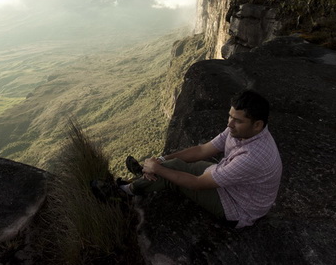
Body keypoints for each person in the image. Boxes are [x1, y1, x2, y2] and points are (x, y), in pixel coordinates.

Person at [120, 90, 282, 228]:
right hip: (234, 186)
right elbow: (202, 150)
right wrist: (161, 160)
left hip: (237, 207)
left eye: (238, 120)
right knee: (173, 165)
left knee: (169, 176)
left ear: (257, 125)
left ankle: (127, 191)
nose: (230, 124)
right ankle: (142, 173)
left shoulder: (252, 157)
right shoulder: (241, 131)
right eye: (230, 117)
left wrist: (157, 169)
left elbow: (197, 184)